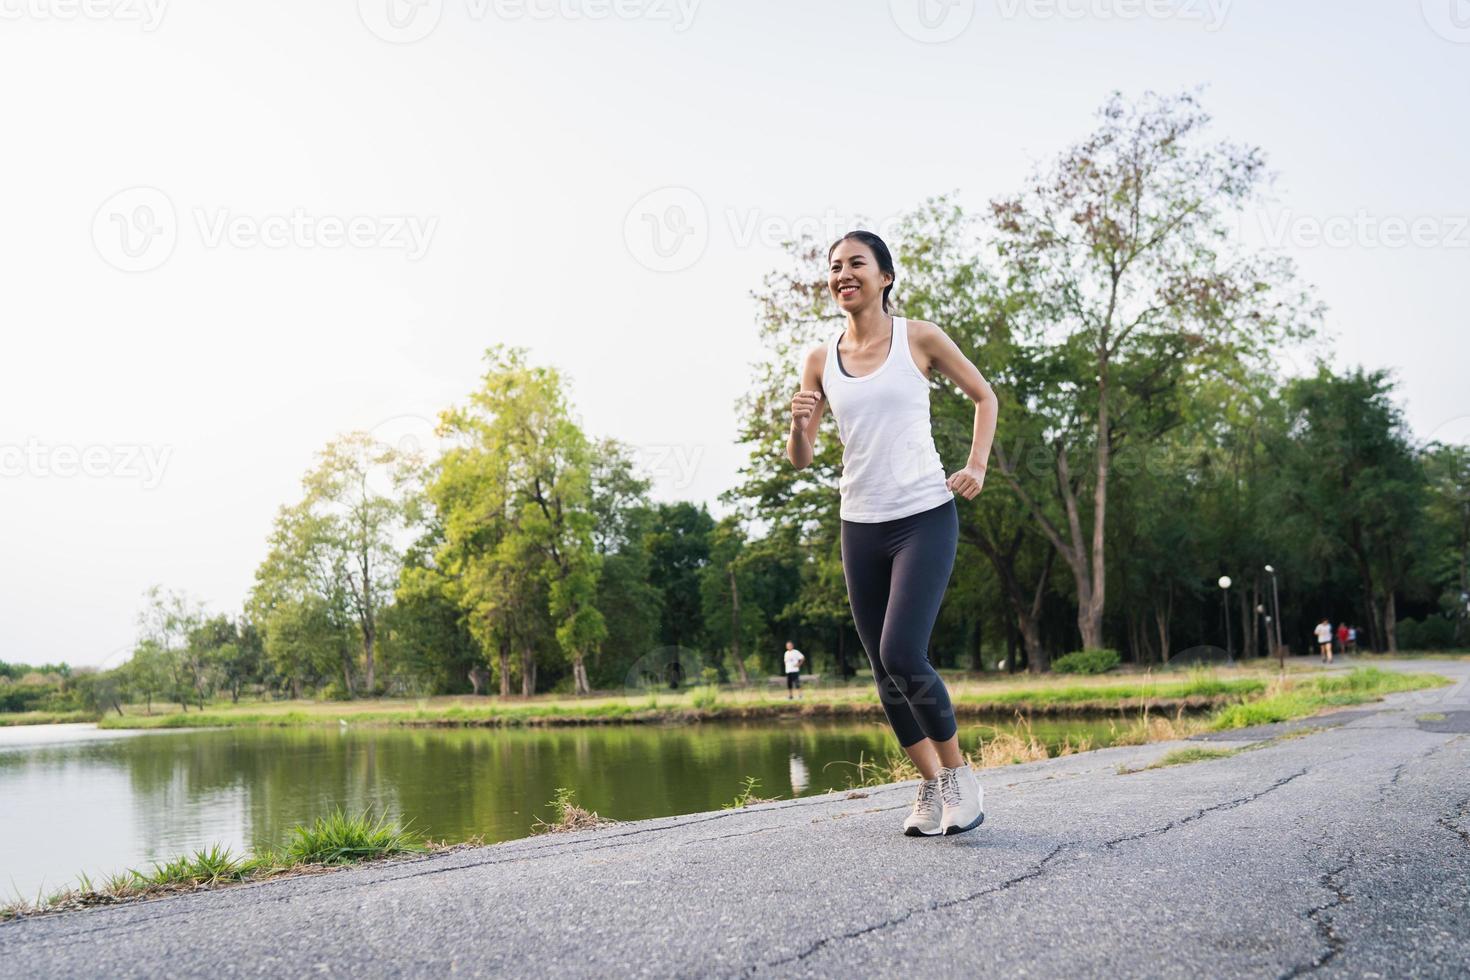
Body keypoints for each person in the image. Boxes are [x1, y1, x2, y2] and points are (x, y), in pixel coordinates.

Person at [786, 230, 997, 838]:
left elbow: (985, 396)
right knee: (883, 670)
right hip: (860, 522)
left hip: (924, 513)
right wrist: (800, 427)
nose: (842, 274)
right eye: (834, 267)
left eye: (856, 264)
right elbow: (801, 458)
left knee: (904, 652)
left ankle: (961, 781)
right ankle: (930, 787)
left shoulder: (919, 338)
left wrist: (976, 465)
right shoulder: (820, 359)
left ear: (884, 276)